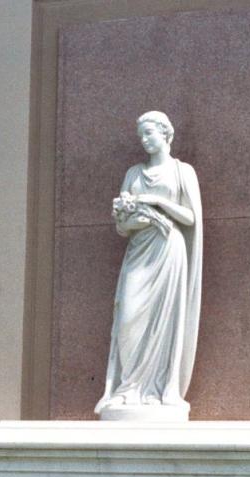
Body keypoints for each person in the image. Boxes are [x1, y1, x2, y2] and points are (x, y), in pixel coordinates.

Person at [95, 111, 203, 420]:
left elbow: (191, 218)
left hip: (169, 252)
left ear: (166, 134)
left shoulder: (183, 172)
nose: (144, 139)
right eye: (141, 134)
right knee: (129, 318)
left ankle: (158, 389)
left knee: (163, 322)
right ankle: (128, 389)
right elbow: (121, 226)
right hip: (139, 251)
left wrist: (158, 204)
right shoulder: (133, 173)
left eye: (149, 133)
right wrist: (133, 218)